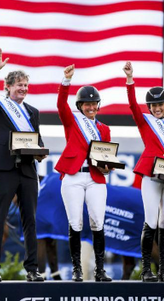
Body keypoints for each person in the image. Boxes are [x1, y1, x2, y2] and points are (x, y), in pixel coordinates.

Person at [0, 48, 47, 282]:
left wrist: (40, 151)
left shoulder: (33, 112)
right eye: (19, 85)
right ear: (8, 87)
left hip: (28, 170)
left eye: (26, 85)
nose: (23, 89)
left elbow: (37, 140)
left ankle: (32, 269)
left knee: (30, 220)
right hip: (6, 168)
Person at [122, 62, 164, 282]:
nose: (157, 108)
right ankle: (145, 269)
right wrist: (130, 80)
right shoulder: (145, 122)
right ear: (149, 108)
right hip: (150, 176)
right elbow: (132, 105)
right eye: (153, 105)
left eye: (160, 104)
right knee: (150, 221)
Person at [54, 64, 112, 282]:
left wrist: (108, 167)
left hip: (96, 178)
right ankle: (77, 269)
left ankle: (100, 269)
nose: (91, 107)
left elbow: (107, 155)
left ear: (98, 105)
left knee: (98, 220)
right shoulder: (72, 121)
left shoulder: (104, 129)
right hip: (73, 176)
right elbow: (60, 105)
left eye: (94, 104)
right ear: (80, 106)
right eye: (87, 104)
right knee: (75, 222)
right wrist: (66, 81)